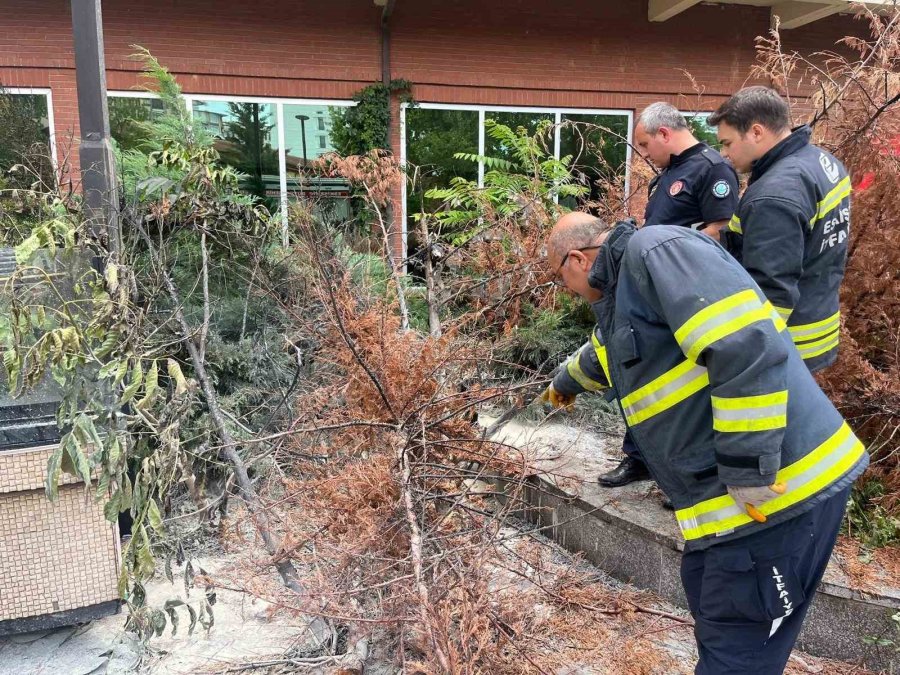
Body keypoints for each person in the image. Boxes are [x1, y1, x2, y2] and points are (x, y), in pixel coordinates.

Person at [543, 213, 867, 674]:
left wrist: (747, 469)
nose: (566, 290)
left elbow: (745, 345)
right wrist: (565, 382)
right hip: (733, 507)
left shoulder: (655, 252)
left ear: (576, 258)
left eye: (561, 279)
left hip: (774, 497)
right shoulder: (627, 289)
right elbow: (613, 351)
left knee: (737, 652)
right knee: (713, 607)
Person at [597, 102, 740, 489]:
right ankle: (639, 457)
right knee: (646, 375)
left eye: (645, 144)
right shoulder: (670, 173)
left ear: (664, 133)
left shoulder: (713, 169)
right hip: (652, 292)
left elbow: (718, 230)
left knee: (684, 388)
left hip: (685, 293)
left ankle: (682, 473)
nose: (645, 154)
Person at [710, 86, 851, 373]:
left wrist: (741, 358)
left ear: (756, 132)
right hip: (818, 320)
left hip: (788, 345)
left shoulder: (774, 195)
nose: (724, 154)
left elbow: (772, 292)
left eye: (727, 143)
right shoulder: (822, 162)